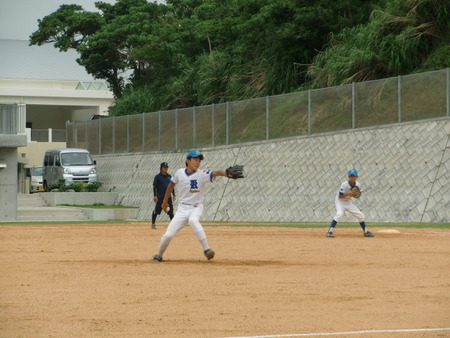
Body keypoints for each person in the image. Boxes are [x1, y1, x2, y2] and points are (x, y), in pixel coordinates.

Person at [151, 150, 236, 262]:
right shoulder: (180, 172)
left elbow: (216, 172)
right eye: (195, 159)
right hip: (182, 209)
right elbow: (171, 184)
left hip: (196, 207)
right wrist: (165, 201)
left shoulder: (202, 174)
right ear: (188, 161)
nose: (198, 162)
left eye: (199, 160)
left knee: (193, 220)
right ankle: (159, 255)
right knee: (168, 235)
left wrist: (226, 174)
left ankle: (207, 250)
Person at [326, 169, 374, 238]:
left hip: (348, 202)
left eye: (353, 176)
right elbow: (340, 196)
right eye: (351, 176)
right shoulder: (344, 184)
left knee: (360, 215)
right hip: (340, 201)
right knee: (339, 214)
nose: (352, 177)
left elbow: (358, 194)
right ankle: (330, 231)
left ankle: (366, 232)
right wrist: (349, 193)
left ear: (356, 177)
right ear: (348, 177)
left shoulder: (357, 184)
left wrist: (354, 194)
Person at [151, 162, 176, 229]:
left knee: (171, 212)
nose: (166, 168)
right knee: (156, 211)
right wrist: (155, 195)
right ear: (161, 168)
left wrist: (173, 194)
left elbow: (172, 186)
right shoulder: (157, 177)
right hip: (160, 197)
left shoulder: (169, 176)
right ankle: (153, 223)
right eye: (164, 167)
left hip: (168, 197)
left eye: (166, 167)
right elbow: (155, 186)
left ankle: (173, 225)